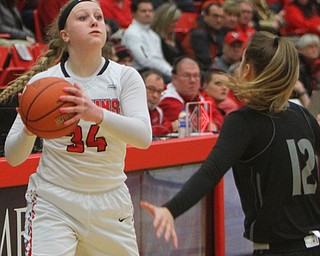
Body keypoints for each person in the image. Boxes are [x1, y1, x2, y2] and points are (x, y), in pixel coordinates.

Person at [141, 31, 320, 255]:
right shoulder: (303, 114)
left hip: (278, 249)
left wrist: (170, 210)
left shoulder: (244, 120)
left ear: (246, 70)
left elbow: (211, 171)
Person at [0, 0, 152, 255]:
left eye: (99, 17)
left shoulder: (125, 77)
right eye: (83, 18)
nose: (94, 21)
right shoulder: (43, 83)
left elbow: (143, 137)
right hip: (55, 200)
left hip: (110, 201)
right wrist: (28, 129)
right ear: (65, 35)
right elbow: (14, 158)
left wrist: (97, 114)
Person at [122, 0, 172, 83]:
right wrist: (169, 71)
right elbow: (144, 61)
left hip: (158, 71)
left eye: (150, 11)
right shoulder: (132, 33)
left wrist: (171, 70)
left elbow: (160, 59)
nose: (148, 14)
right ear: (133, 14)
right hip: (140, 72)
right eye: (143, 11)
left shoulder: (154, 35)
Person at [180, 3, 224, 71]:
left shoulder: (217, 33)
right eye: (215, 16)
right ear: (205, 16)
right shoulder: (198, 34)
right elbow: (205, 63)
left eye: (221, 17)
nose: (219, 20)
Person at [158, 56, 204, 122]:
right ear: (174, 78)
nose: (193, 80)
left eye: (196, 76)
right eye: (187, 76)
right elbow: (194, 125)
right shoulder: (167, 100)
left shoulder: (200, 97)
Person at [141, 69, 178, 137]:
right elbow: (142, 133)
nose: (155, 95)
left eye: (159, 91)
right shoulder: (132, 110)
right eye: (151, 89)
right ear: (140, 87)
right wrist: (171, 126)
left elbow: (165, 125)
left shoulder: (158, 112)